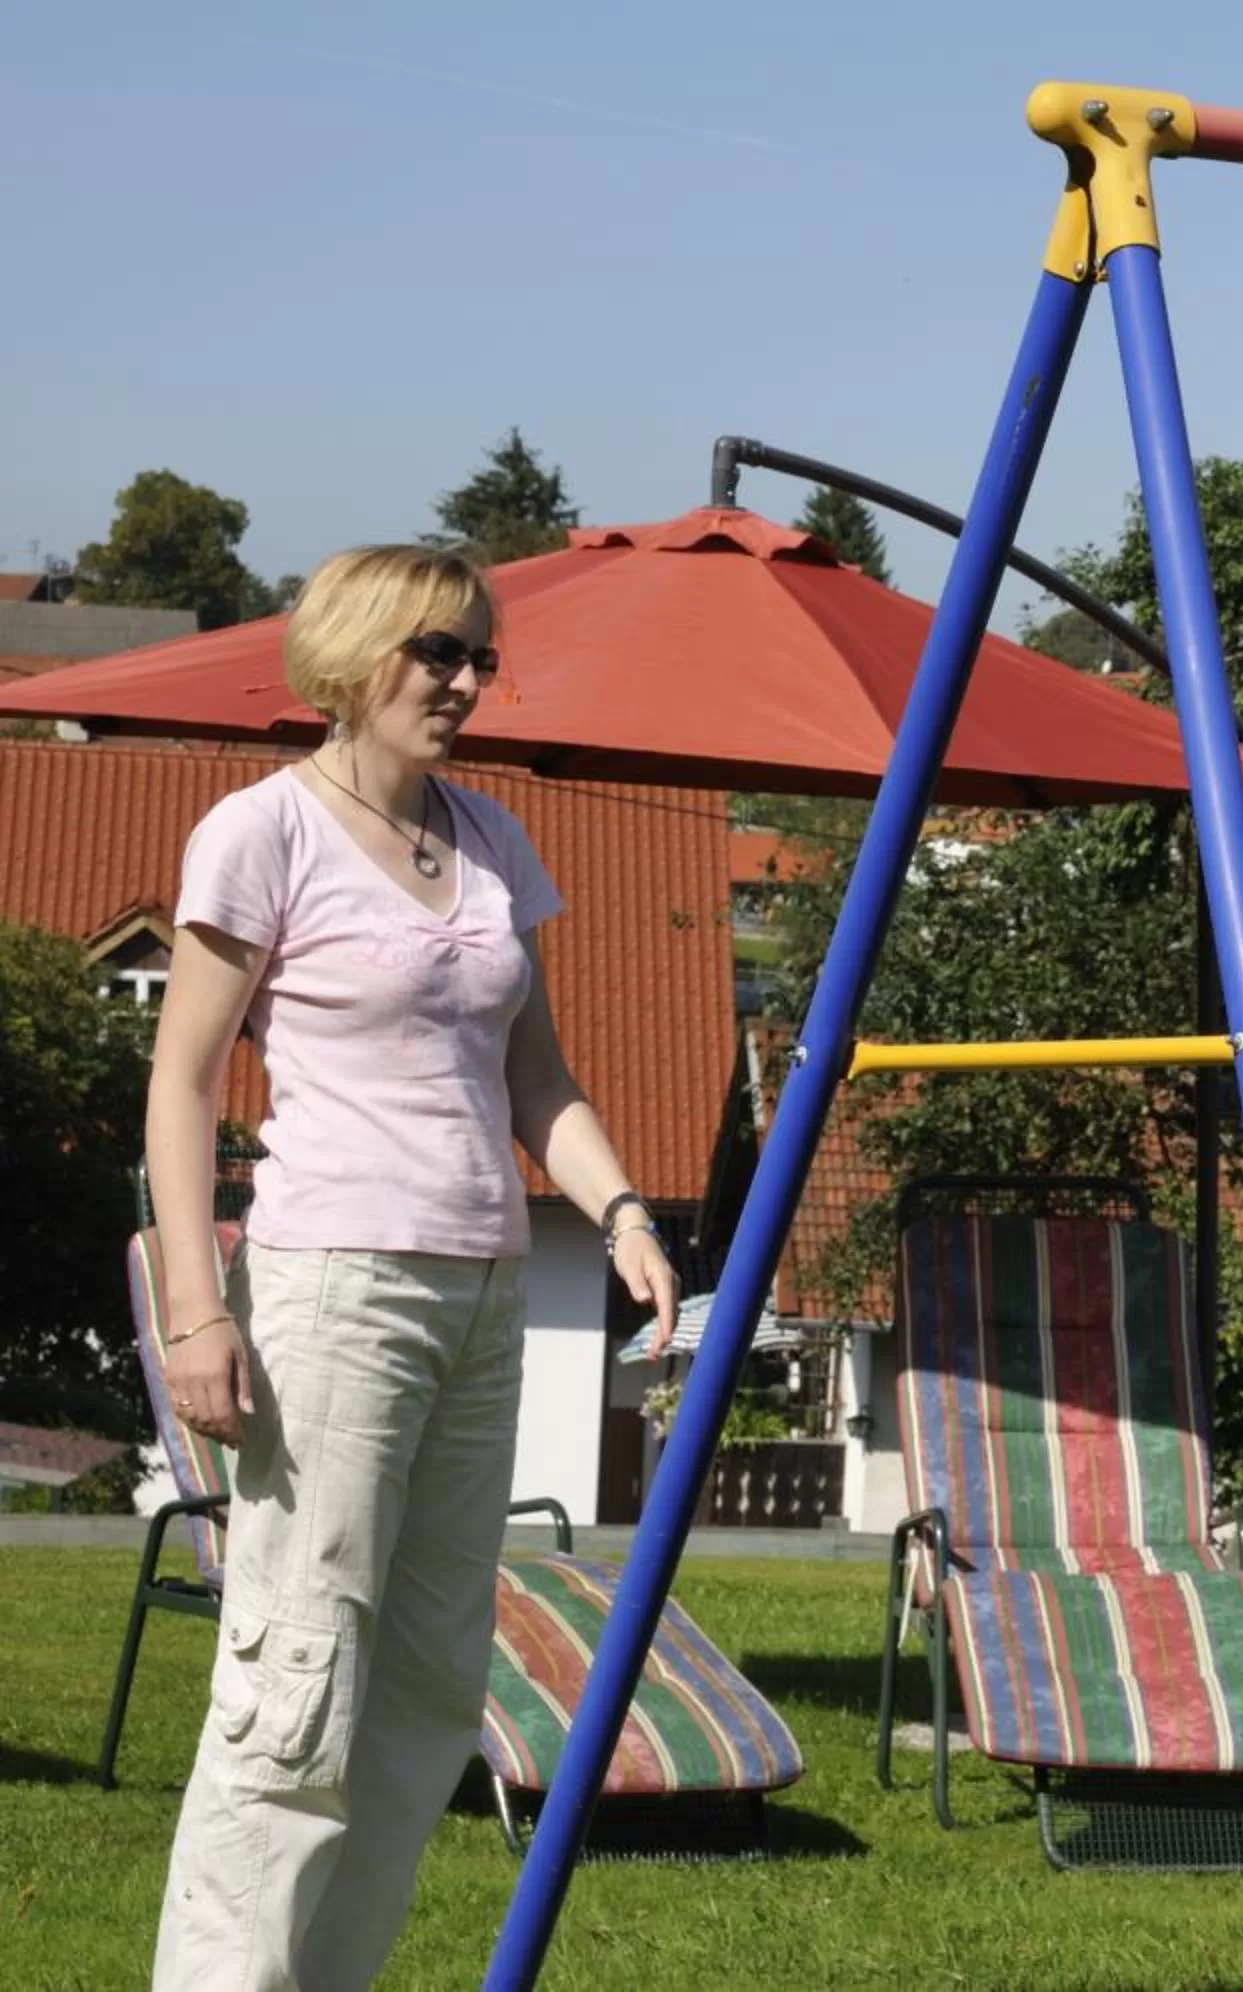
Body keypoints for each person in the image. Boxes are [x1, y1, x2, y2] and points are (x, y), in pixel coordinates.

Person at [144, 544, 677, 1992]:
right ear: (351, 657)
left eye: (480, 658)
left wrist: (623, 1211)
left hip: (485, 1294)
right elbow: (182, 1084)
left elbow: (539, 1080)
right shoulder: (261, 834)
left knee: (432, 1692)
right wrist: (198, 1312)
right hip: (331, 1295)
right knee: (296, 1688)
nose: (464, 681)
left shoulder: (493, 840)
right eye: (436, 652)